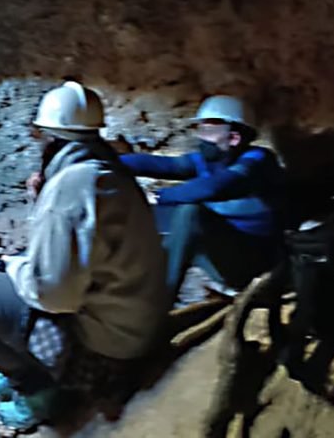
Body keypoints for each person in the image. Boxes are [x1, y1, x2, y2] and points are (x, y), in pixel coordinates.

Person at [0, 81, 168, 432]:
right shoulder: (108, 173)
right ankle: (36, 374)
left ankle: (38, 393)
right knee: (12, 273)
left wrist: (13, 267)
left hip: (108, 354)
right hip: (137, 327)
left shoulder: (71, 187)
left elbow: (54, 296)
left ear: (52, 139)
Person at [120, 95, 287, 303]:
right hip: (222, 256)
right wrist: (105, 162)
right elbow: (163, 165)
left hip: (254, 260)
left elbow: (216, 187)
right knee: (150, 219)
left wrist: (157, 197)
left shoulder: (258, 161)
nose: (200, 137)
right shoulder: (210, 160)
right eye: (200, 129)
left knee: (189, 213)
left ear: (234, 138)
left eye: (208, 131)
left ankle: (158, 304)